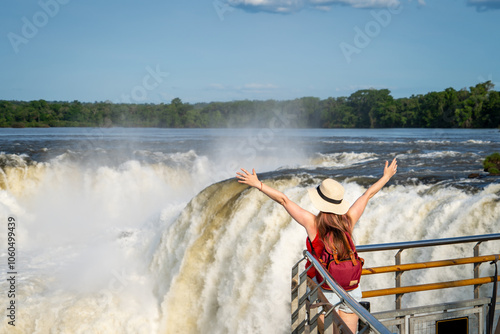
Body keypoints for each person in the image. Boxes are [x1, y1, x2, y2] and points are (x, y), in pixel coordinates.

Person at [236, 158, 398, 333]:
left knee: (327, 328)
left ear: (320, 201)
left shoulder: (313, 224)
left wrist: (258, 184)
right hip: (351, 289)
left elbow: (283, 200)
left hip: (324, 290)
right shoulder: (348, 221)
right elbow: (367, 194)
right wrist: (386, 177)